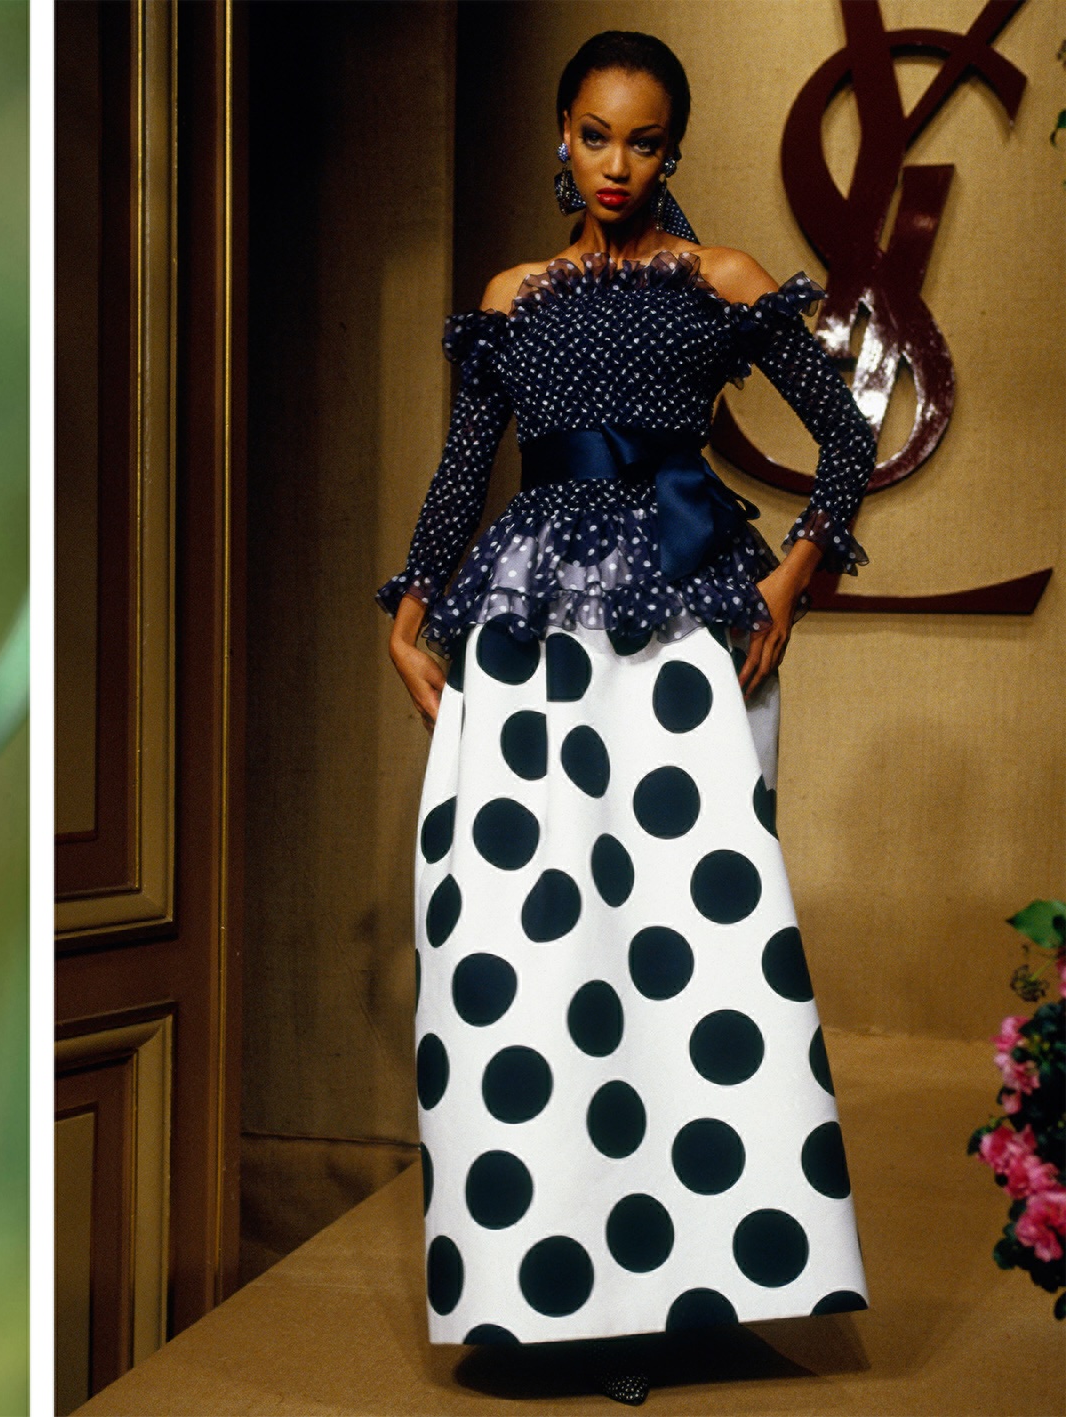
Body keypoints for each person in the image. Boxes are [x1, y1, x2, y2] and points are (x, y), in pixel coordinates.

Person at [375, 31, 872, 1407]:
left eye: (643, 141)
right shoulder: (513, 295)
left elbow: (850, 439)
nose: (616, 163)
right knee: (519, 957)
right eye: (595, 135)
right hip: (531, 646)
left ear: (673, 152)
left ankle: (690, 1284)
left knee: (694, 956)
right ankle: (550, 1282)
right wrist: (411, 608)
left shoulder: (720, 282)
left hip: (679, 647)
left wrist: (793, 576)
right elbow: (467, 463)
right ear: (560, 135)